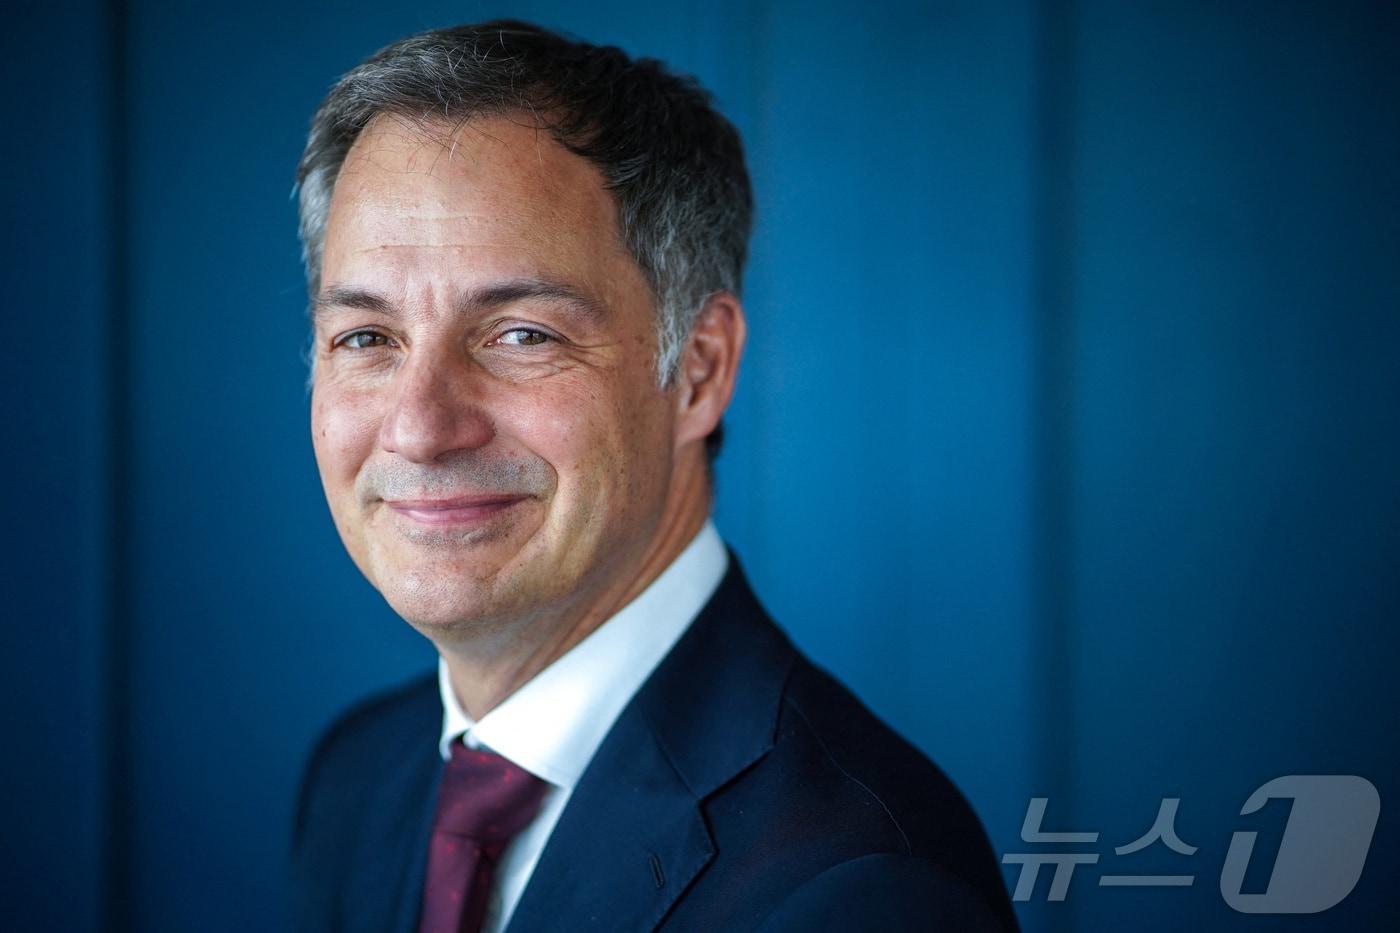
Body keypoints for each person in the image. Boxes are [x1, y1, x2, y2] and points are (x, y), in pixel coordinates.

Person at [290, 20, 1017, 933]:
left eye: (522, 334)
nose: (420, 426)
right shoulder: (358, 777)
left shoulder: (861, 884)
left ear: (701, 369)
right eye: (366, 338)